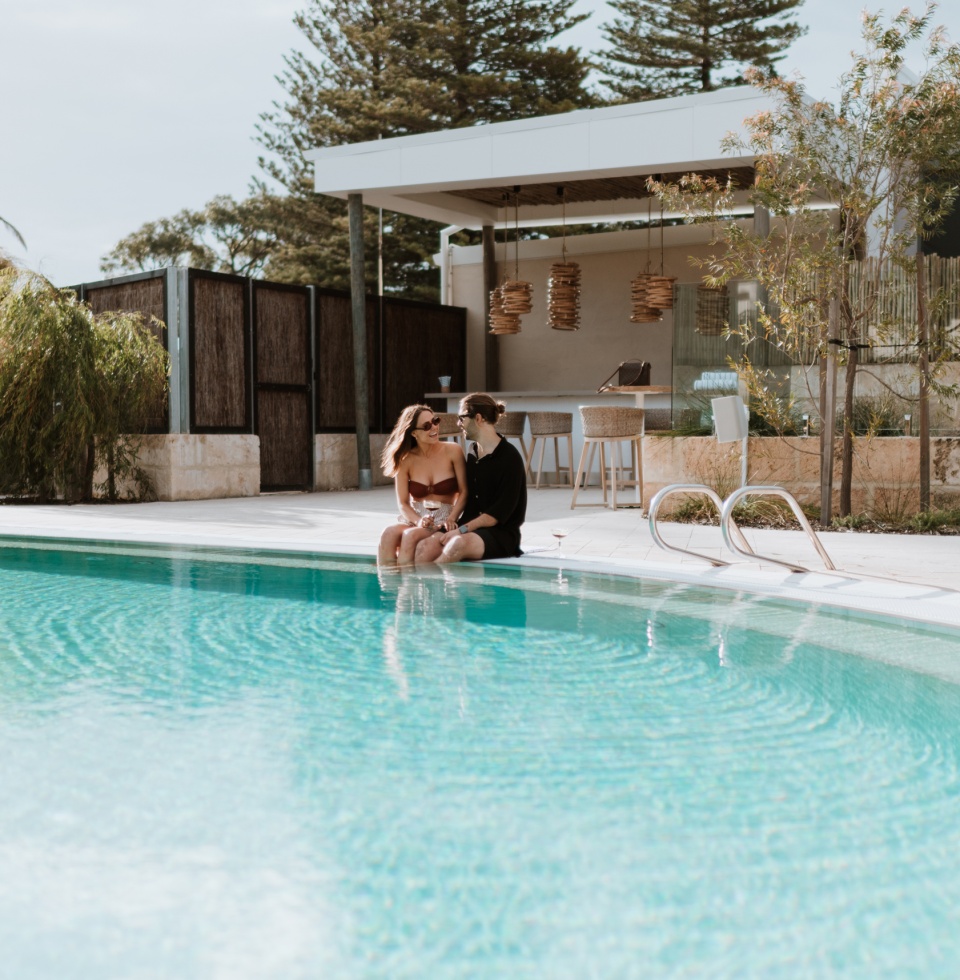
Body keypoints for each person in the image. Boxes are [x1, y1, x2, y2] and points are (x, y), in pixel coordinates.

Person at [414, 393, 527, 565]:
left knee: (456, 544)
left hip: (499, 534)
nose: (459, 423)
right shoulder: (472, 452)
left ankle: (443, 588)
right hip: (467, 526)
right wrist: (449, 521)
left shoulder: (510, 458)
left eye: (462, 418)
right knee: (424, 547)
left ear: (479, 418)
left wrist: (461, 531)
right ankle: (423, 589)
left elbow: (495, 516)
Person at [377, 404, 467, 566]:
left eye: (435, 421)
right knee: (388, 533)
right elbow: (403, 503)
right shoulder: (405, 459)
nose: (434, 427)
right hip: (416, 518)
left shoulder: (453, 451)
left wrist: (452, 517)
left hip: (444, 518)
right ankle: (389, 585)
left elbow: (465, 491)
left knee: (410, 536)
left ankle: (407, 585)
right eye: (427, 426)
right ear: (414, 433)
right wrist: (418, 520)